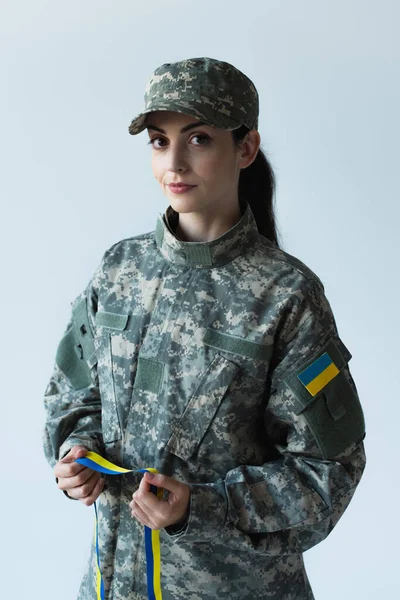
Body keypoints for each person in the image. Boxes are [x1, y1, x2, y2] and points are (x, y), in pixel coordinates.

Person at [43, 56, 366, 600]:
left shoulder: (285, 295)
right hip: (113, 584)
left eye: (197, 140)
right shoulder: (119, 271)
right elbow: (70, 396)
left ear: (245, 148)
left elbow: (328, 470)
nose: (174, 161)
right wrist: (77, 453)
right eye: (158, 140)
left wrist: (204, 505)